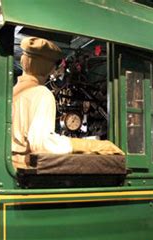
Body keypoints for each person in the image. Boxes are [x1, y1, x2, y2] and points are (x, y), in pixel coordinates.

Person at [12, 37, 123, 169]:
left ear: (23, 61)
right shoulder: (41, 93)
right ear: (49, 67)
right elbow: (42, 144)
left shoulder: (14, 93)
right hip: (24, 170)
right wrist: (93, 146)